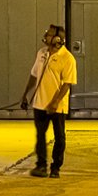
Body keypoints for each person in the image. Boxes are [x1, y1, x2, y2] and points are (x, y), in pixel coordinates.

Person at [20, 23, 77, 178]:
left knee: (59, 137)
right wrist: (26, 94)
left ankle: (55, 167)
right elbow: (34, 75)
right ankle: (41, 165)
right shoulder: (42, 53)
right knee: (40, 135)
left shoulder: (68, 58)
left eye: (50, 34)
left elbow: (67, 84)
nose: (46, 36)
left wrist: (55, 102)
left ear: (58, 39)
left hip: (57, 106)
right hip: (39, 103)